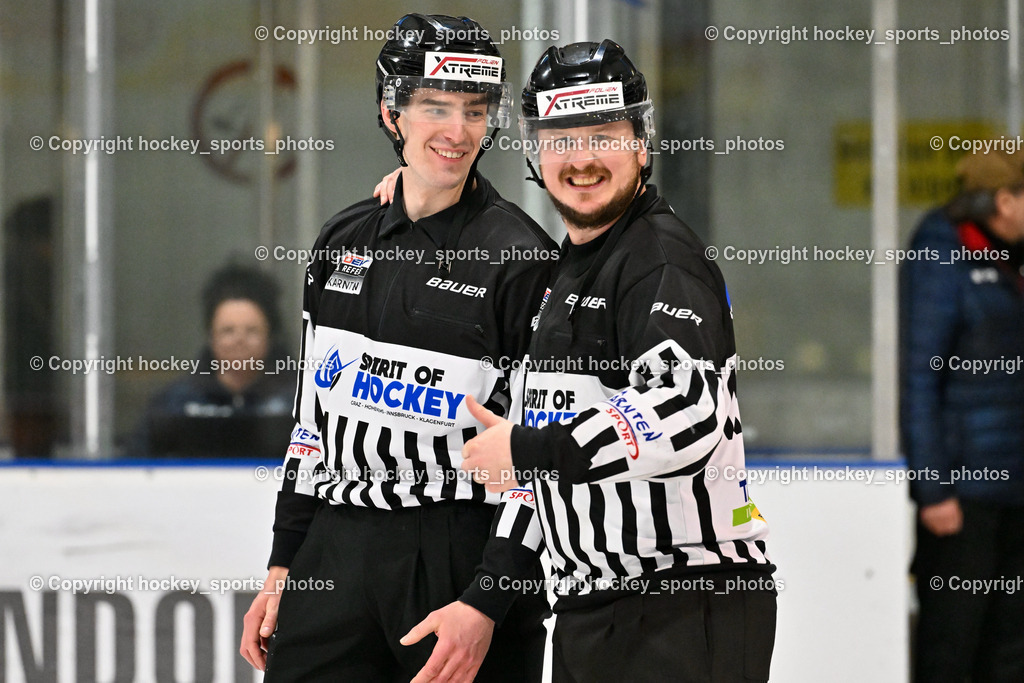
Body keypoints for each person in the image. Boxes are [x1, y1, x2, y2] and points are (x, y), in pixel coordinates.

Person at [402, 40, 777, 683]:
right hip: (593, 611)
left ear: (642, 145)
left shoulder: (659, 260)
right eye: (561, 139)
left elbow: (688, 409)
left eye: (602, 135)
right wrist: (485, 600)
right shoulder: (568, 273)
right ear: (534, 153)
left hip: (681, 606)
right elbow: (550, 463)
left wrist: (529, 447)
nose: (580, 159)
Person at [239, 14, 553, 682]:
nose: (459, 131)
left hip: (457, 549)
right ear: (392, 113)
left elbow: (541, 460)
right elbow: (311, 423)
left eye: (475, 111)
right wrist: (284, 560)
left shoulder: (522, 259)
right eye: (436, 107)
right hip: (335, 545)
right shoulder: (341, 240)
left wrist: (490, 597)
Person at [901, 150, 1024, 683]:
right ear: (1005, 201)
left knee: (1010, 647)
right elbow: (919, 377)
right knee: (951, 645)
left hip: (1015, 488)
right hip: (963, 495)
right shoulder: (941, 254)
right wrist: (933, 490)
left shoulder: (1010, 255)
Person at [130, 262, 294, 457]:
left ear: (270, 336)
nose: (239, 341)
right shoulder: (175, 403)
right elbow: (135, 465)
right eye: (228, 331)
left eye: (252, 331)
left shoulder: (298, 401)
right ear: (211, 337)